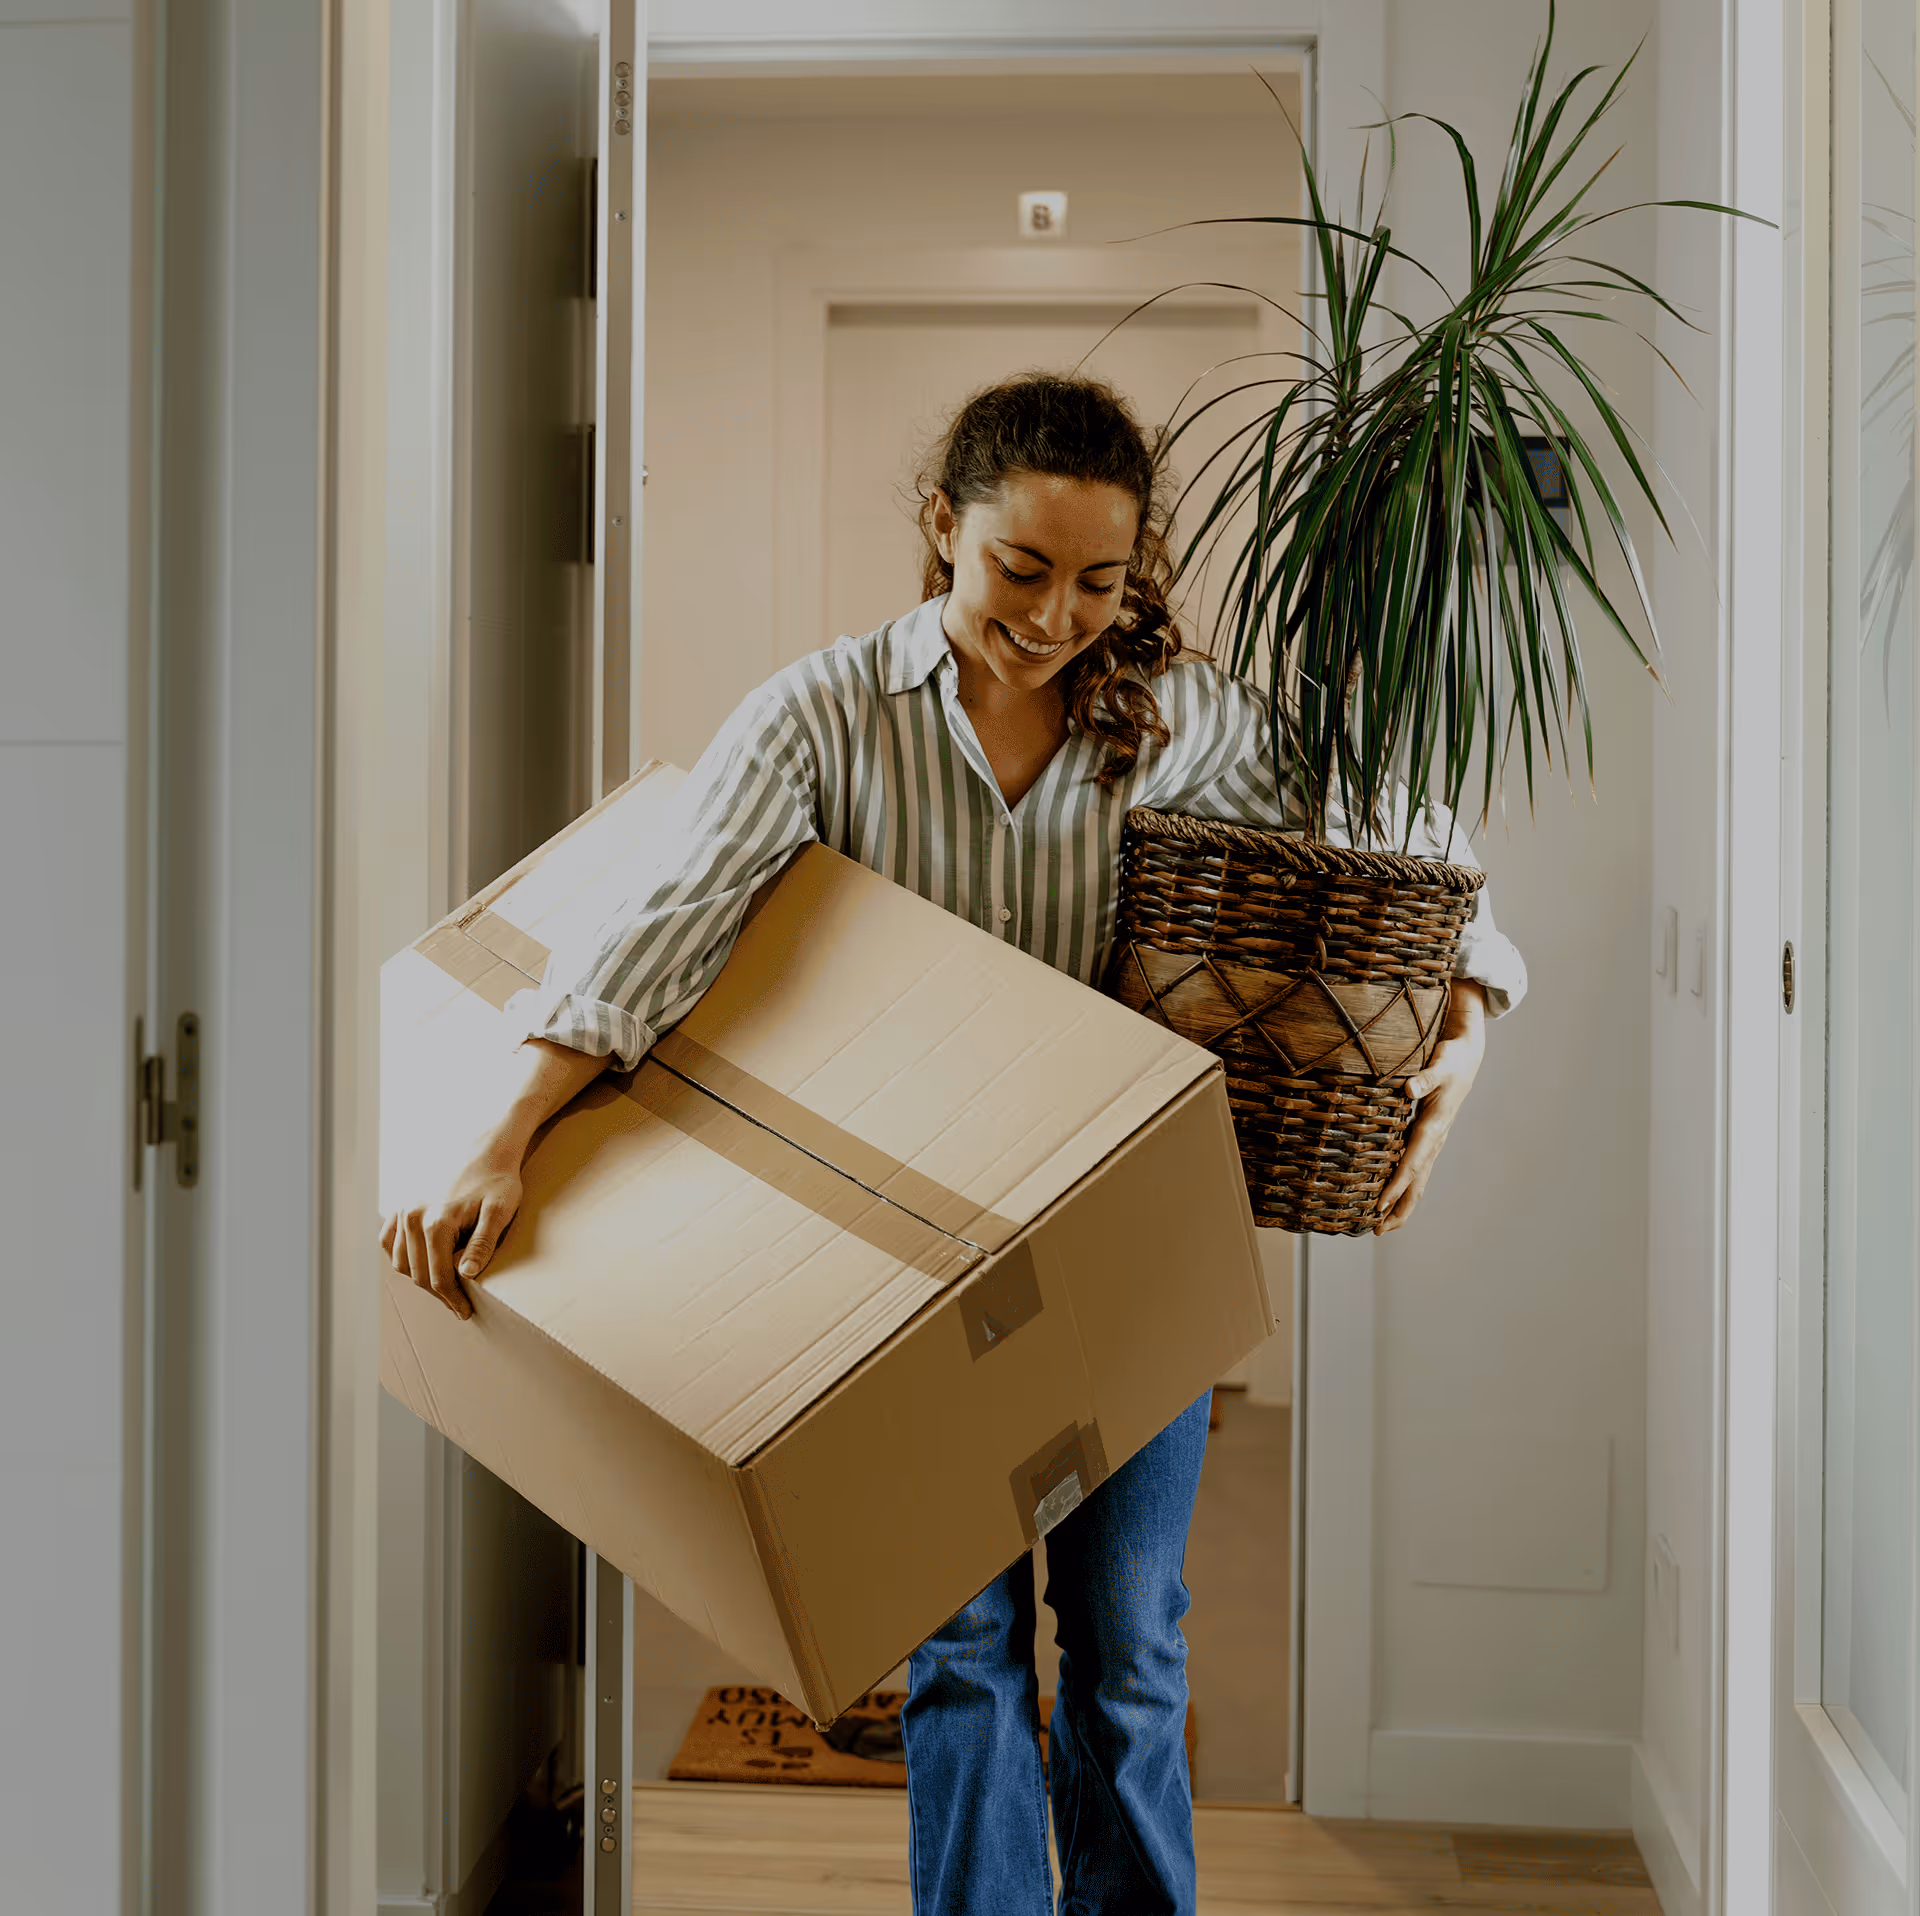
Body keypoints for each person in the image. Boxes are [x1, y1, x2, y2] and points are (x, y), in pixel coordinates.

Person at [381, 371, 1526, 1915]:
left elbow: (1411, 840)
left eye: (1101, 581)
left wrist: (1469, 1020)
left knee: (1130, 1648)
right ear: (942, 527)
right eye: (1022, 569)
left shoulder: (1183, 718)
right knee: (962, 1653)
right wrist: (507, 1133)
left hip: (1127, 1264)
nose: (1059, 615)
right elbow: (664, 922)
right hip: (908, 1289)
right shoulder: (823, 714)